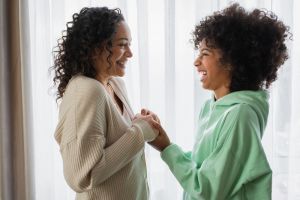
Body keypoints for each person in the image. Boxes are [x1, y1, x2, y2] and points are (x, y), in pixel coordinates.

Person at [147, 3, 290, 200]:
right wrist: (166, 142)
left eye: (205, 54)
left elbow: (208, 190)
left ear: (232, 61)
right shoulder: (212, 107)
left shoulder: (240, 115)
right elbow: (204, 165)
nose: (196, 62)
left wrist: (166, 148)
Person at [51, 7, 159, 200]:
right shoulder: (86, 90)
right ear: (96, 48)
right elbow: (82, 176)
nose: (130, 54)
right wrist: (140, 132)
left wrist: (141, 123)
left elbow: (120, 144)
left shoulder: (115, 84)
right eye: (123, 45)